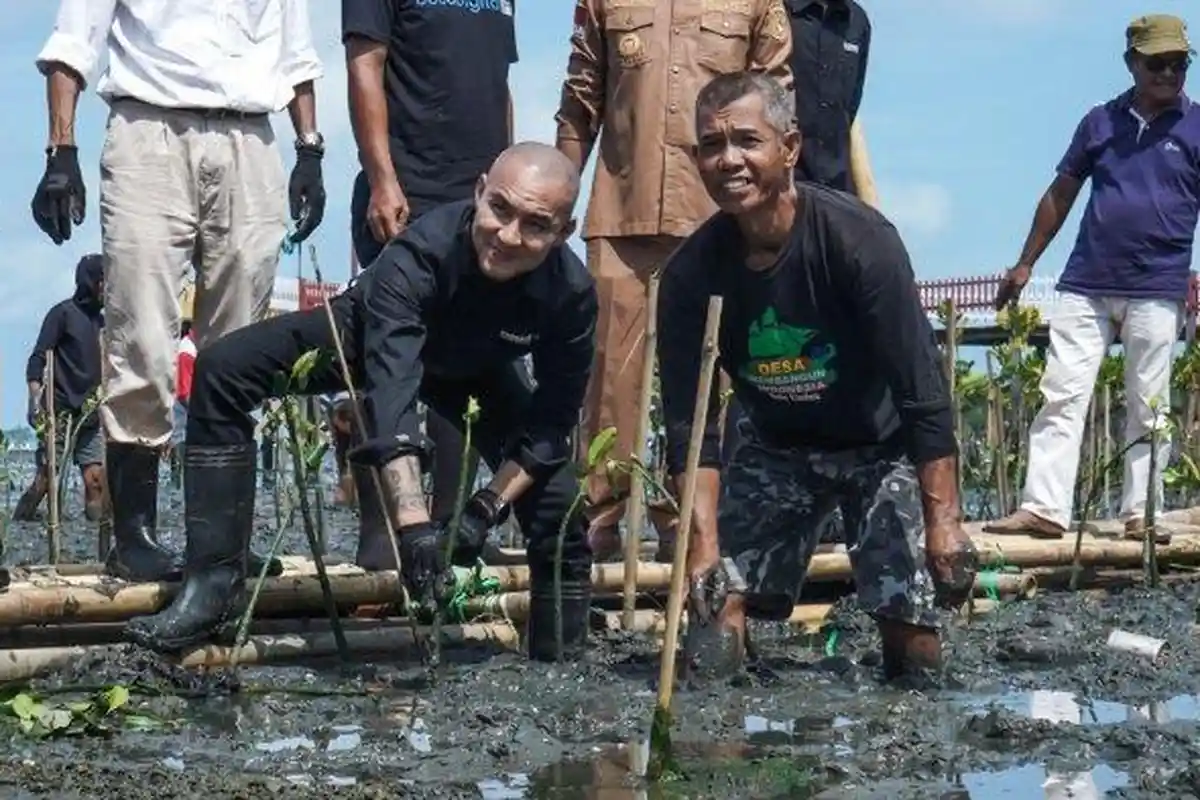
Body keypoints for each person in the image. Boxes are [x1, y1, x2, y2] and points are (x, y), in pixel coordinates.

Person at [123, 143, 598, 662]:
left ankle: (561, 654)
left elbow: (551, 425)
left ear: (563, 233)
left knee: (558, 499)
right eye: (500, 209)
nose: (508, 236)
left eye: (536, 226)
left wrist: (484, 510)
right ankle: (213, 585)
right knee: (223, 370)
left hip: (477, 367)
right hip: (366, 334)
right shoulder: (418, 255)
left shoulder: (570, 294)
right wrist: (415, 530)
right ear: (479, 192)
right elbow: (391, 392)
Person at [657, 72, 977, 680]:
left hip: (879, 448)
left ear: (791, 148)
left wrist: (944, 523)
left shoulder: (860, 243)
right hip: (775, 446)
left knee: (912, 638)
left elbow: (923, 395)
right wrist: (702, 549)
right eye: (712, 146)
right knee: (714, 596)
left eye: (747, 141)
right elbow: (687, 426)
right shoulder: (691, 274)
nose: (730, 160)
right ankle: (718, 736)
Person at [31, 0, 327, 583]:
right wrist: (60, 152)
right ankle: (133, 540)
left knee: (240, 349)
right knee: (141, 335)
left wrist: (309, 149)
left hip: (251, 137)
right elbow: (72, 43)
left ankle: (222, 544)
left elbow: (297, 54)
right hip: (148, 129)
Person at [556, 0, 794, 564]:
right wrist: (556, 195)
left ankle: (688, 515)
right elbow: (579, 99)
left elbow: (777, 101)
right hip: (620, 212)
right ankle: (603, 516)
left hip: (717, 219)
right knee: (608, 376)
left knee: (710, 378)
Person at [985, 15, 1198, 546]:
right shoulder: (1099, 122)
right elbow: (1061, 194)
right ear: (1132, 63)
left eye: (1180, 63)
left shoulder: (1198, 128)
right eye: (1158, 63)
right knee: (1062, 394)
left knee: (1150, 405)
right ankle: (1044, 509)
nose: (1169, 73)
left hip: (1158, 286)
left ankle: (1140, 514)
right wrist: (1025, 262)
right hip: (1087, 282)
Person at [341, 0, 519, 551]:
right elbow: (364, 65)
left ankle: (449, 527)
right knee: (390, 358)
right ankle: (381, 533)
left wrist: (506, 180)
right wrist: (382, 179)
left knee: (466, 359)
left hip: (478, 201)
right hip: (408, 190)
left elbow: (501, 86)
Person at [14, 254, 107, 524]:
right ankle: (20, 522)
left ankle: (94, 540)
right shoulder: (63, 314)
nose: (108, 288)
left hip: (89, 415)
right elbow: (37, 359)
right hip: (59, 410)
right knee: (45, 478)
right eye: (103, 282)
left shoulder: (102, 323)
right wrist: (34, 401)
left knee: (95, 482)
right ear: (91, 282)